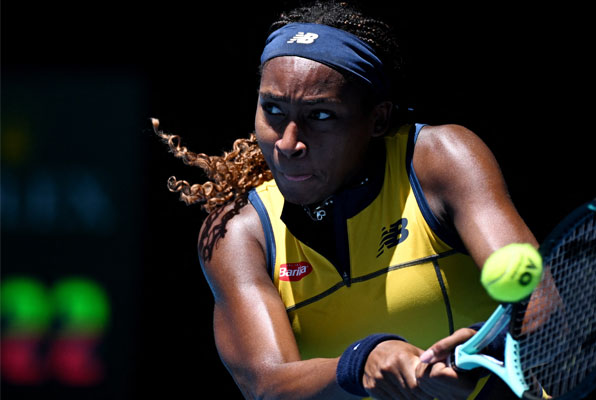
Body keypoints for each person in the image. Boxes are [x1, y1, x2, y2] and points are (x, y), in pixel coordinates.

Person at [154, 1, 536, 398]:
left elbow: (544, 301)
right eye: (272, 110)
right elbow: (266, 385)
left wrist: (484, 347)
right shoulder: (237, 233)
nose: (288, 143)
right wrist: (363, 361)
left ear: (378, 119)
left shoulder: (439, 161)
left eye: (320, 115)